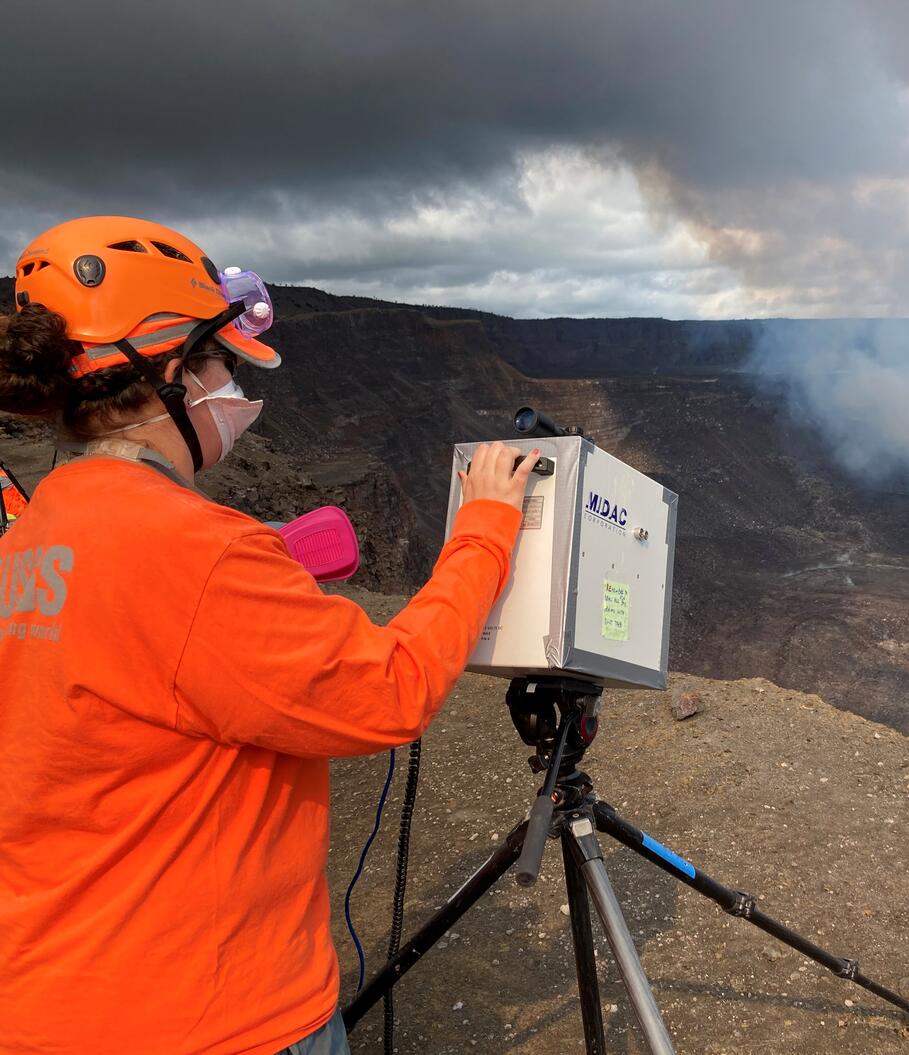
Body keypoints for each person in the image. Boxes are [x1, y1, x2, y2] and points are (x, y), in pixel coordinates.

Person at [0, 216, 540, 1054]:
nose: (238, 392)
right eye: (224, 365)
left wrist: (259, 593)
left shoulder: (26, 538)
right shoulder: (197, 553)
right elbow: (388, 692)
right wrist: (487, 529)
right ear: (174, 373)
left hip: (44, 1004)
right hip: (209, 1020)